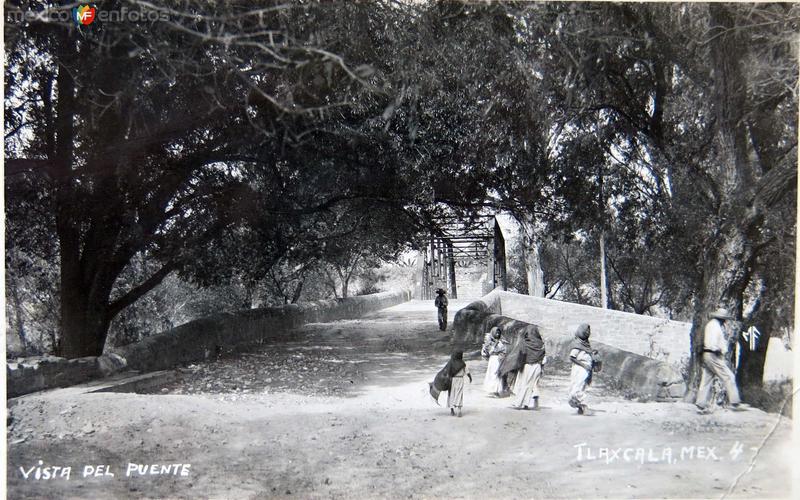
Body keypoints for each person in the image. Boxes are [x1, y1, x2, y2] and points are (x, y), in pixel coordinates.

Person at [695, 307, 745, 414]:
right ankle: (735, 402)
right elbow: (712, 343)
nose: (725, 321)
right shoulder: (714, 326)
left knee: (707, 379)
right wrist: (718, 350)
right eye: (724, 319)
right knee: (728, 376)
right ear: (721, 318)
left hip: (708, 354)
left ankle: (701, 403)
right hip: (713, 354)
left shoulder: (712, 325)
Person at [511, 326, 546, 410]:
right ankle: (526, 404)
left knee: (524, 384)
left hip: (527, 366)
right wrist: (542, 368)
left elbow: (520, 355)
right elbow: (544, 358)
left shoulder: (525, 343)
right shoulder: (541, 344)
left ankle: (519, 403)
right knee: (531, 385)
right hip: (537, 366)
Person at [568, 324, 596, 415]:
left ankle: (583, 406)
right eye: (586, 331)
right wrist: (584, 365)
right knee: (576, 388)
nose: (588, 333)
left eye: (589, 331)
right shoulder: (577, 344)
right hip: (579, 368)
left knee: (581, 387)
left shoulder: (587, 344)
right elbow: (572, 358)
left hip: (586, 369)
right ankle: (581, 406)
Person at [482, 327, 507, 396]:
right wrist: (495, 345)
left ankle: (496, 390)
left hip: (499, 359)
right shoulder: (489, 342)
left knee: (497, 374)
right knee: (492, 374)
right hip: (492, 359)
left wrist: (501, 354)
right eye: (496, 332)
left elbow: (504, 350)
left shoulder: (502, 341)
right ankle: (492, 390)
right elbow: (489, 352)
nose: (497, 334)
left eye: (498, 332)